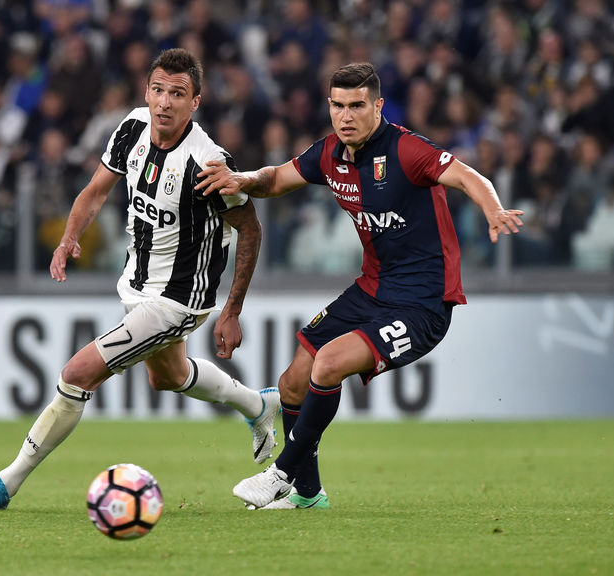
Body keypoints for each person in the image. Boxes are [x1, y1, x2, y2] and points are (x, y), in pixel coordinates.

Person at [0, 48, 279, 510]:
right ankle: (258, 406)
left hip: (180, 299)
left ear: (196, 103)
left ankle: (6, 483)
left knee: (77, 373)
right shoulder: (131, 128)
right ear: (146, 91)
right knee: (170, 377)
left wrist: (232, 309)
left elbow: (251, 228)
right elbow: (96, 190)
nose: (164, 102)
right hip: (137, 284)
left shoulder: (207, 162)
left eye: (177, 94)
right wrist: (69, 238)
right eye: (158, 90)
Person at [196, 62, 524, 510]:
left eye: (356, 105)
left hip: (423, 304)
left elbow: (469, 177)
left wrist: (492, 208)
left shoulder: (407, 150)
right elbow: (276, 178)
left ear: (377, 106)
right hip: (372, 289)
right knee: (292, 382)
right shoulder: (329, 153)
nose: (345, 115)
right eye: (337, 105)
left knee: (328, 364)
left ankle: (281, 474)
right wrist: (241, 180)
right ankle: (309, 496)